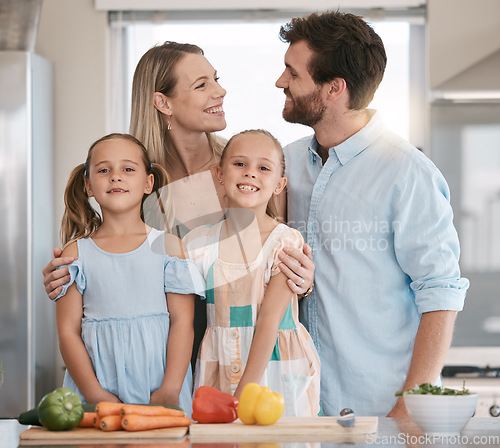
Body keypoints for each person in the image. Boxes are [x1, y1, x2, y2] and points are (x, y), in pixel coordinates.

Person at [42, 42, 315, 369]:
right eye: (202, 85)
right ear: (162, 102)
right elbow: (111, 263)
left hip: (251, 355)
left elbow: (278, 253)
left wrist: (303, 280)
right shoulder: (135, 181)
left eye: (216, 79)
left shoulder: (250, 172)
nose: (221, 91)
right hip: (163, 361)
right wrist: (68, 277)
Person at [274, 11, 469, 417]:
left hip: (378, 415)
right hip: (295, 411)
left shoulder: (407, 173)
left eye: (292, 73)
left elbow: (440, 291)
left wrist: (413, 403)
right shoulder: (285, 165)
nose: (280, 82)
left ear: (333, 88)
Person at [54, 133, 205, 415]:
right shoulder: (75, 254)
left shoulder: (169, 247)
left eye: (128, 169)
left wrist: (171, 388)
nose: (115, 177)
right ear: (88, 185)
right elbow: (67, 332)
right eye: (103, 170)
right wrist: (94, 393)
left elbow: (182, 322)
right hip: (95, 392)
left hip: (161, 389)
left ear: (149, 183)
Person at [184, 129, 320, 417]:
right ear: (219, 174)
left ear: (279, 184)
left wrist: (243, 394)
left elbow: (270, 320)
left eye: (263, 168)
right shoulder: (197, 243)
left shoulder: (285, 241)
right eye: (239, 164)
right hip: (217, 363)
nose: (250, 174)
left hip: (277, 368)